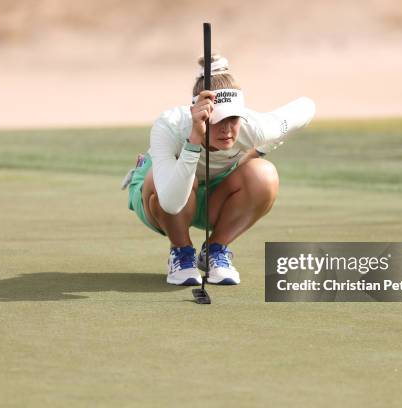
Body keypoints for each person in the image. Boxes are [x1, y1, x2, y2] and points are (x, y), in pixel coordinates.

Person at [125, 54, 315, 286]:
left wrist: (260, 150)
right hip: (161, 198)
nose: (227, 129)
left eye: (233, 119)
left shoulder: (254, 127)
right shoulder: (170, 125)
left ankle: (215, 251)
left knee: (264, 174)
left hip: (215, 195)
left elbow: (307, 107)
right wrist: (194, 140)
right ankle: (182, 253)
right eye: (218, 120)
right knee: (177, 178)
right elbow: (171, 203)